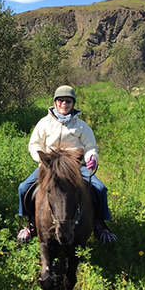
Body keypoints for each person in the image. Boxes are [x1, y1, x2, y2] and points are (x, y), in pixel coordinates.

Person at [17, 85, 117, 244]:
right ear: (55, 103)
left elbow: (91, 146)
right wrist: (42, 160)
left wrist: (92, 157)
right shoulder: (44, 123)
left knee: (99, 188)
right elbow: (34, 144)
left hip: (75, 166)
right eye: (61, 100)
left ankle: (99, 224)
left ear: (73, 103)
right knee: (23, 188)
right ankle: (30, 224)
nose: (64, 104)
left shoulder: (81, 126)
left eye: (68, 101)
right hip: (49, 166)